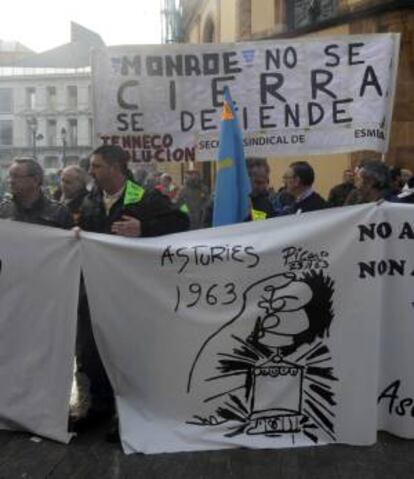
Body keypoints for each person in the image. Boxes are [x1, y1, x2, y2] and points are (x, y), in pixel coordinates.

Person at [74, 145, 189, 440]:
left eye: (97, 166)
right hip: (97, 292)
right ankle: (99, 407)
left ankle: (131, 414)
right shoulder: (89, 200)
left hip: (132, 294)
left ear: (115, 167)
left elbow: (182, 222)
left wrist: (145, 227)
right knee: (94, 352)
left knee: (130, 354)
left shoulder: (146, 197)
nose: (91, 171)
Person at [0, 158, 72, 228]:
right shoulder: (3, 210)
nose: (10, 181)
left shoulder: (59, 212)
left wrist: (76, 234)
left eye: (15, 176)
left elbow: (71, 238)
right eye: (10, 176)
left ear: (35, 179)